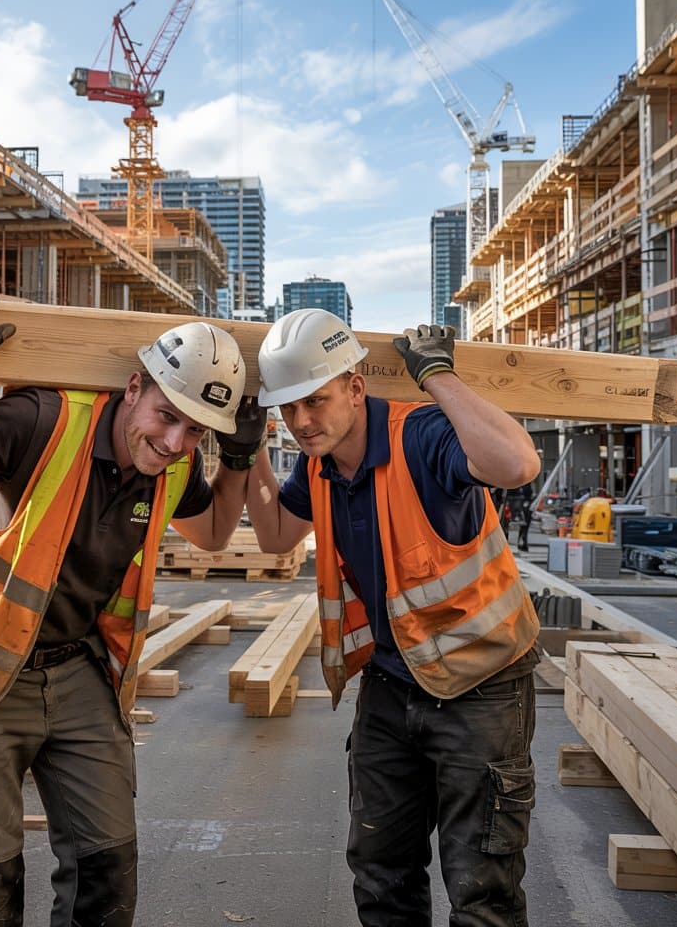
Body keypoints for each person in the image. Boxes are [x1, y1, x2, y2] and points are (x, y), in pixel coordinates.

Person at [0, 287, 264, 927]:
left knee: (106, 871)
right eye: (167, 416)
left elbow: (215, 534)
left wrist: (238, 459)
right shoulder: (39, 421)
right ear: (134, 387)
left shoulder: (175, 465)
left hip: (81, 672)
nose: (174, 442)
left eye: (197, 430)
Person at [244, 310, 542, 927]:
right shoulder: (320, 467)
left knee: (481, 889)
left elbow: (516, 465)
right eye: (288, 407)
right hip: (389, 685)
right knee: (381, 875)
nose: (301, 421)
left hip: (480, 686)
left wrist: (437, 376)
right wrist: (248, 455)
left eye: (316, 400)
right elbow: (274, 535)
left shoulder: (422, 436)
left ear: (356, 387)